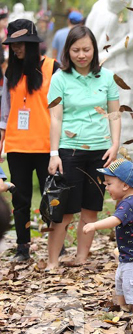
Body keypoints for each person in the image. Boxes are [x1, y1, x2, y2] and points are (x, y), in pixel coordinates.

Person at [46, 26, 121, 270]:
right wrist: (54, 153)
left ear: (94, 50)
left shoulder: (107, 77)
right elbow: (55, 118)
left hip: (100, 151)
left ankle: (81, 258)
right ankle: (52, 262)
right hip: (70, 151)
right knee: (65, 211)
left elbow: (114, 114)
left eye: (86, 49)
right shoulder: (59, 79)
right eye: (76, 50)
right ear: (68, 51)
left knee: (91, 209)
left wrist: (115, 145)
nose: (82, 55)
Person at [0, 19, 60, 262]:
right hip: (17, 146)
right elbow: (5, 113)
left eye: (21, 44)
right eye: (13, 44)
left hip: (47, 146)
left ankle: (57, 245)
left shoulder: (54, 68)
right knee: (20, 200)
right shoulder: (10, 72)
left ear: (33, 44)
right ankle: (23, 246)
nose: (16, 49)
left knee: (52, 199)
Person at [83, 159, 133, 313]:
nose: (106, 187)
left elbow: (115, 220)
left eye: (109, 184)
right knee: (121, 283)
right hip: (130, 255)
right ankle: (122, 309)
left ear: (125, 186)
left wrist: (94, 225)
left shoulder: (128, 205)